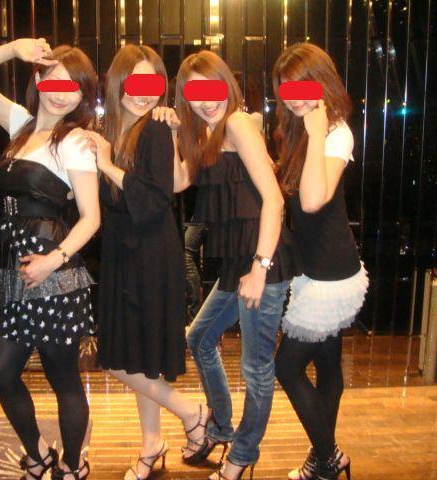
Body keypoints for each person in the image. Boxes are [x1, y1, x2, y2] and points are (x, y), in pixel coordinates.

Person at [0, 38, 99, 480]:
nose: (61, 93)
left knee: (63, 378)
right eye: (53, 81)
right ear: (37, 80)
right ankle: (38, 454)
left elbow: (91, 217)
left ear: (82, 95)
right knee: (0, 375)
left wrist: (52, 261)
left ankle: (73, 465)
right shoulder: (20, 124)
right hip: (15, 272)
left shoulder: (74, 141)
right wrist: (14, 49)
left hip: (54, 274)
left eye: (73, 86)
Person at [162, 50, 294, 480]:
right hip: (238, 261)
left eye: (212, 88)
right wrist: (172, 132)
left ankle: (242, 455)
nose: (205, 100)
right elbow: (178, 181)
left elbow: (273, 199)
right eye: (194, 94)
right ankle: (221, 427)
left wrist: (259, 268)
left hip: (262, 260)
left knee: (256, 366)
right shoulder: (207, 132)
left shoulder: (237, 123)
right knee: (199, 337)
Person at [81, 44, 210, 480]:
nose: (143, 92)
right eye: (135, 82)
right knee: (139, 356)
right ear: (118, 84)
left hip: (151, 254)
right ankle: (152, 443)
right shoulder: (112, 130)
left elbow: (156, 199)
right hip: (123, 253)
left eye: (152, 83)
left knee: (118, 359)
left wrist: (106, 165)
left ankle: (192, 413)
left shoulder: (155, 129)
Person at [271, 42, 368, 480]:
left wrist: (313, 132)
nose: (293, 96)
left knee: (287, 367)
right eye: (286, 87)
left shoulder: (336, 133)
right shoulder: (300, 132)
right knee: (328, 364)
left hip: (331, 275)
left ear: (322, 83)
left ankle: (327, 458)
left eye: (302, 86)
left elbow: (312, 200)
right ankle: (325, 456)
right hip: (314, 270)